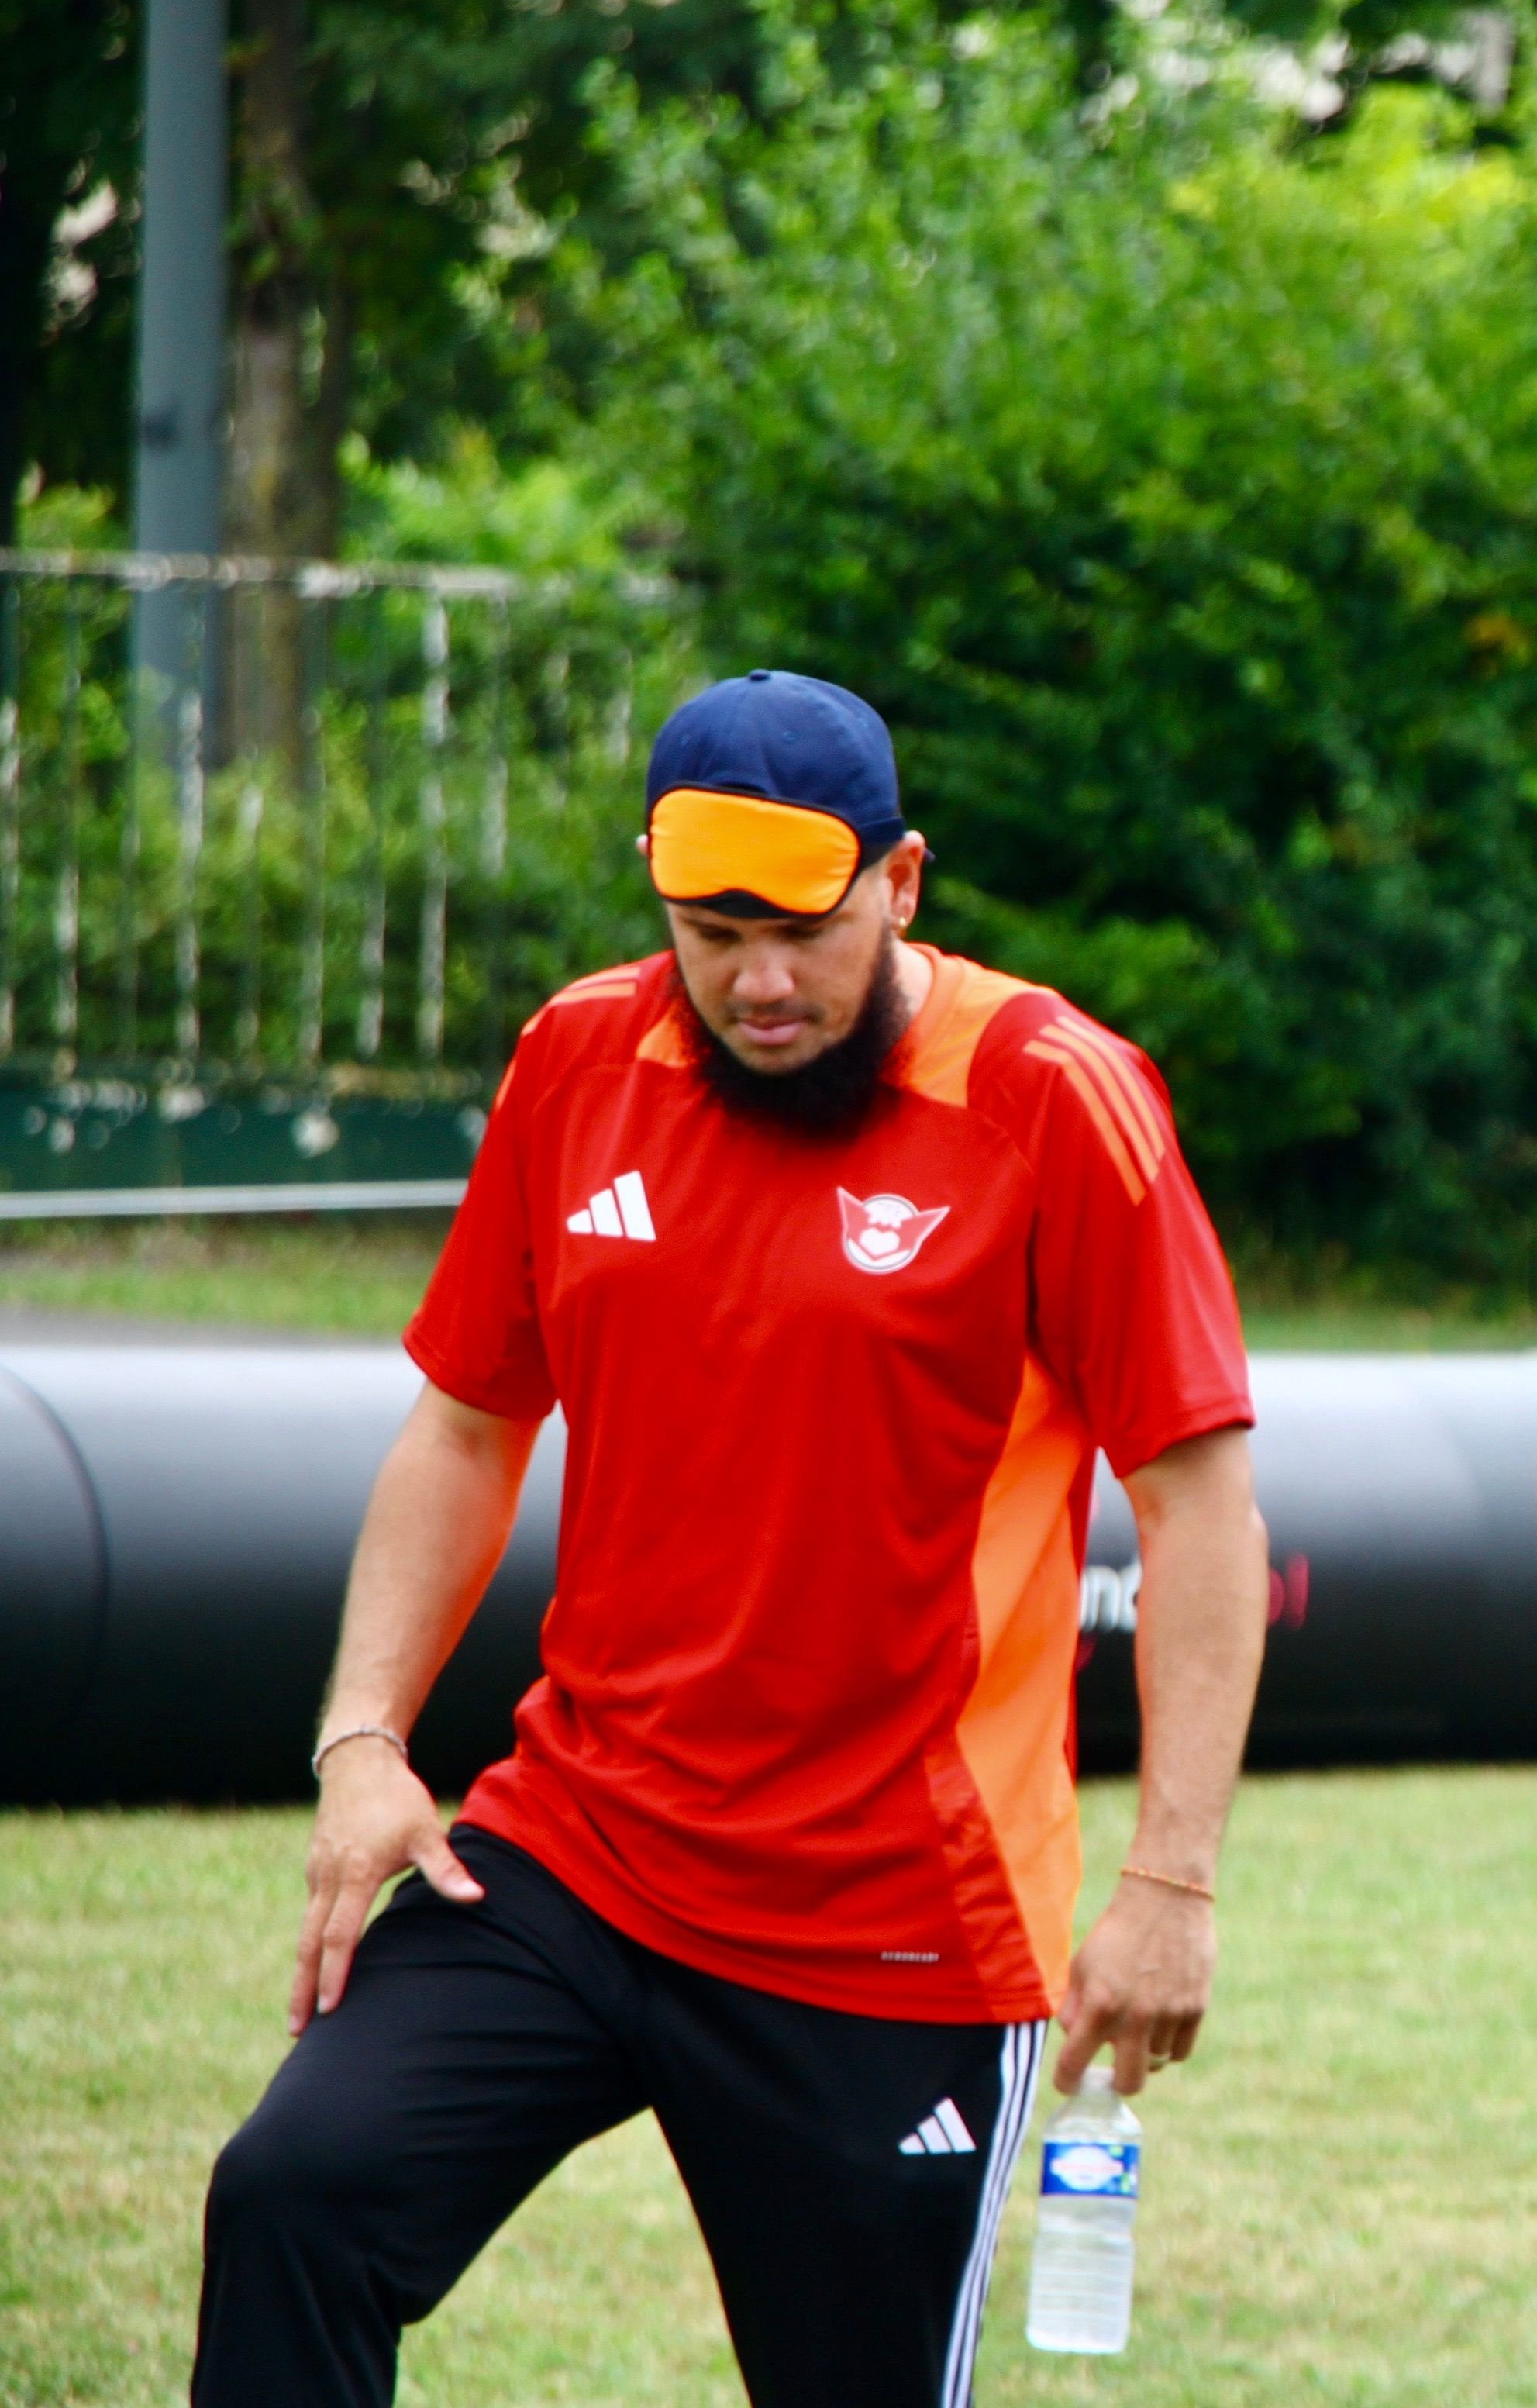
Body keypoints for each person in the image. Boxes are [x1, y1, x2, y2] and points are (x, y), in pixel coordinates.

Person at [194, 670, 1271, 2408]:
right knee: (296, 2196)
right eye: (712, 931)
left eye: (803, 928)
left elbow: (1200, 1503)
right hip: (576, 1852)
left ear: (901, 883)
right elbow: (469, 1422)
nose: (760, 982)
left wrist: (1171, 1881)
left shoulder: (1051, 1093)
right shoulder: (577, 1057)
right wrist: (363, 1736)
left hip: (899, 1929)